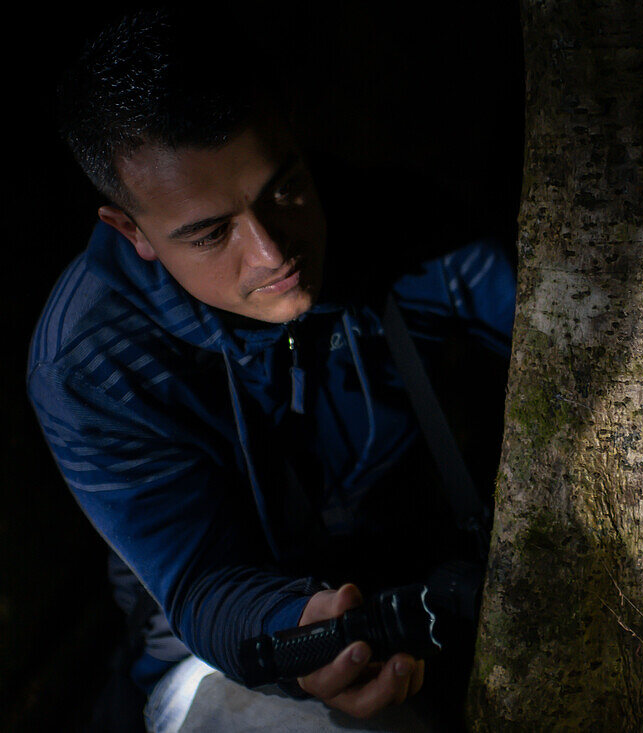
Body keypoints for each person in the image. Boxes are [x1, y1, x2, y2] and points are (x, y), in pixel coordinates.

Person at [26, 8, 514, 731]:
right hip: (220, 661)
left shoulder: (392, 229)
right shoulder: (90, 363)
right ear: (132, 232)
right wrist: (301, 630)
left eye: (282, 188)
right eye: (211, 232)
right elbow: (203, 582)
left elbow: (563, 321)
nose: (271, 253)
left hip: (422, 610)